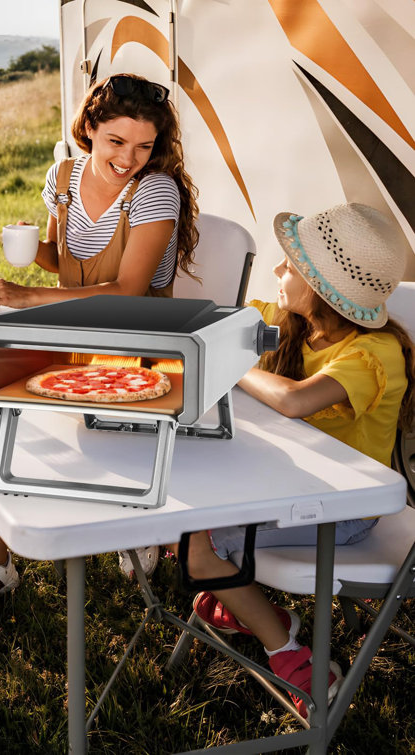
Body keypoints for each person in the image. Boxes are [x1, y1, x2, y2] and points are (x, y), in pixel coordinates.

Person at [0, 73, 200, 620]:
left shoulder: (155, 190)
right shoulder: (63, 175)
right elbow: (63, 266)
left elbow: (129, 292)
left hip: (137, 347)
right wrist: (23, 250)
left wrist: (24, 297)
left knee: (12, 395)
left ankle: (140, 519)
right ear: (90, 127)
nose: (128, 157)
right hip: (69, 331)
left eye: (143, 146)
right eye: (116, 141)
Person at [166, 203, 414, 718]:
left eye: (290, 266)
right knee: (165, 511)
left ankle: (289, 651)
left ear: (323, 289)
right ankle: (233, 597)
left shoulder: (375, 354)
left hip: (344, 508)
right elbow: (214, 321)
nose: (278, 271)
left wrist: (228, 362)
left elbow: (295, 400)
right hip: (285, 482)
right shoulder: (295, 325)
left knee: (192, 538)